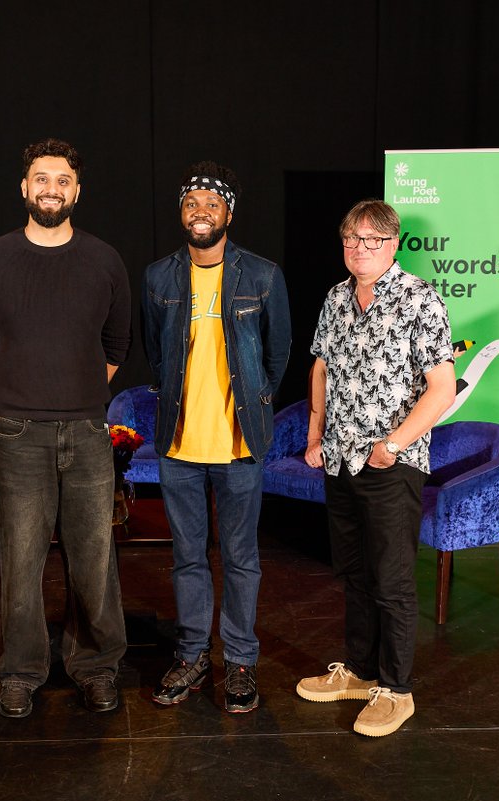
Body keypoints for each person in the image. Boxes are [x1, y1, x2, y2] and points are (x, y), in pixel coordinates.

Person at [0, 138, 131, 718]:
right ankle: (22, 670)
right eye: (41, 178)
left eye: (62, 180)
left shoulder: (104, 260)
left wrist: (76, 390)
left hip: (86, 430)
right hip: (16, 432)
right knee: (21, 560)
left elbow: (116, 345)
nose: (51, 189)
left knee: (94, 559)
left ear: (76, 191)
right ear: (24, 188)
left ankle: (97, 666)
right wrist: (23, 389)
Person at [296, 199, 455, 737]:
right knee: (355, 574)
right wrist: (315, 433)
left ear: (393, 244)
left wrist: (393, 444)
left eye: (370, 241)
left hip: (391, 463)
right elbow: (320, 367)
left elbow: (442, 388)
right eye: (350, 240)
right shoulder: (337, 298)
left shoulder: (419, 299)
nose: (358, 250)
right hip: (339, 461)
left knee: (391, 580)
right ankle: (360, 673)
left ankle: (397, 688)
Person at [142, 161, 291, 713]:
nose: (201, 213)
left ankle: (242, 664)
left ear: (229, 212)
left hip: (239, 447)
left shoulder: (262, 275)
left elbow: (276, 357)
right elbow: (156, 355)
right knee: (187, 558)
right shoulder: (158, 277)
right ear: (181, 212)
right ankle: (192, 655)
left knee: (241, 558)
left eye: (212, 204)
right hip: (178, 447)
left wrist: (251, 404)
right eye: (191, 204)